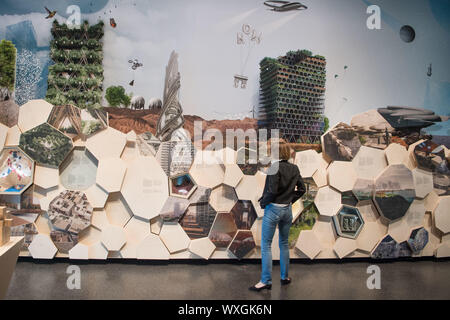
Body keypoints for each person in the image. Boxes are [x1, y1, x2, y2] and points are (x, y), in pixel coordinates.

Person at [249, 142, 306, 292]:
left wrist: (263, 203)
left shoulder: (274, 167)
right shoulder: (294, 168)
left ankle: (265, 281)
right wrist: (290, 199)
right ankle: (284, 277)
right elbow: (302, 189)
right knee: (284, 244)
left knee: (266, 245)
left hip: (273, 209)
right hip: (287, 210)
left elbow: (272, 191)